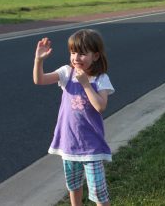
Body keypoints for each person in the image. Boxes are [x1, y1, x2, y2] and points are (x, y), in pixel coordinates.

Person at [33, 29, 114, 206]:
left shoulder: (100, 78)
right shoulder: (66, 73)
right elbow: (39, 80)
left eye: (82, 53)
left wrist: (85, 84)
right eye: (73, 52)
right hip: (69, 143)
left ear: (96, 55)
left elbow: (100, 106)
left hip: (91, 146)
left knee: (99, 193)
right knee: (74, 186)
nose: (76, 58)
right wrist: (39, 60)